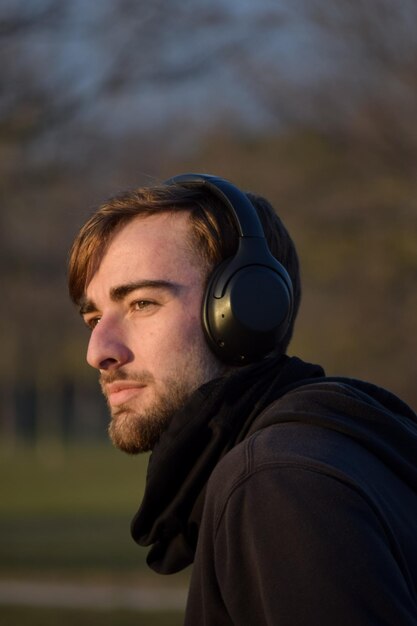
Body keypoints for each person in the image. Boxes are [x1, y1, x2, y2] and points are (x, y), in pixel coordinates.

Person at [68, 173, 417, 625]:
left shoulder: (277, 482)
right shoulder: (325, 452)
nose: (98, 351)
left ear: (247, 310)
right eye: (93, 318)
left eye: (142, 303)